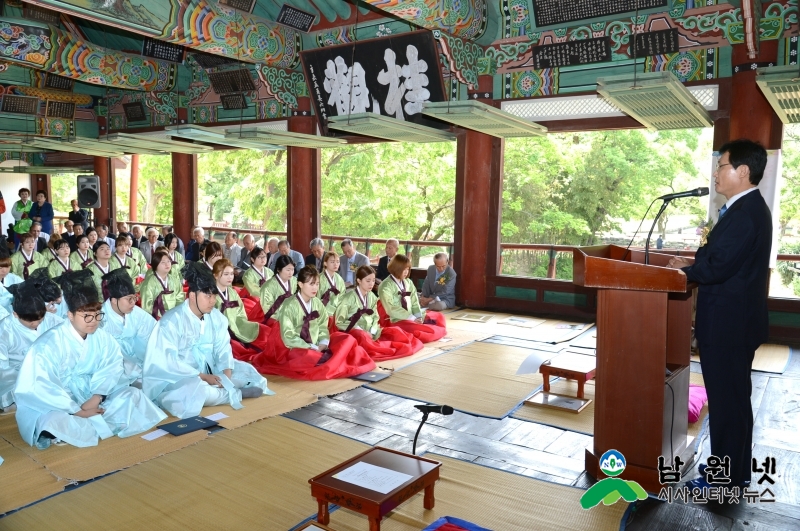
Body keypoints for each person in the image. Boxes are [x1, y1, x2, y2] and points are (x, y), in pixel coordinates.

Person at [668, 140, 772, 491]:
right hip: (736, 322)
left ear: (743, 171)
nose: (715, 173)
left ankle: (721, 481)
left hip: (730, 325)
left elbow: (720, 265)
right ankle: (736, 474)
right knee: (735, 402)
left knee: (728, 406)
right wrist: (690, 265)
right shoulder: (746, 209)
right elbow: (720, 258)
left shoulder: (745, 213)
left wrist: (683, 272)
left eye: (722, 166)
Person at [14, 268, 166, 449]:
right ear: (69, 315)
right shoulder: (48, 344)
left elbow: (113, 366)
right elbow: (40, 386)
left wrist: (97, 397)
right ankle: (88, 422)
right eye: (86, 316)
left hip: (93, 393)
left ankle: (88, 424)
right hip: (62, 401)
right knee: (51, 420)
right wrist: (76, 410)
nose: (94, 321)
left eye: (97, 315)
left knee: (133, 395)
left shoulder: (102, 338)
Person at [142, 262, 271, 419]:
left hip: (211, 368)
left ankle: (227, 388)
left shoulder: (216, 317)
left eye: (214, 295)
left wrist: (226, 375)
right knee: (196, 390)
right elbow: (167, 362)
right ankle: (233, 393)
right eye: (208, 296)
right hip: (181, 375)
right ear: (192, 295)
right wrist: (202, 376)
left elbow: (223, 348)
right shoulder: (171, 321)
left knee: (248, 371)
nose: (212, 301)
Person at [249, 265, 375, 380]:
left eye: (317, 284)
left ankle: (327, 357)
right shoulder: (289, 305)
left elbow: (322, 326)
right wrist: (312, 347)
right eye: (311, 284)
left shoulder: (317, 303)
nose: (315, 288)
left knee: (347, 340)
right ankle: (325, 359)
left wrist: (323, 341)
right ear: (300, 284)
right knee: (311, 358)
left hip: (315, 342)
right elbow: (288, 336)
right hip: (291, 345)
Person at [335, 265, 422, 362]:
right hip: (353, 331)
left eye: (373, 280)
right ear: (359, 281)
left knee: (396, 332)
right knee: (362, 336)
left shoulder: (372, 296)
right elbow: (339, 321)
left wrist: (372, 331)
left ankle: (377, 344)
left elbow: (375, 317)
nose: (371, 284)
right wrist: (361, 330)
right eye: (368, 281)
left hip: (371, 331)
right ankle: (378, 349)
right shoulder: (347, 298)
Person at [0, 281, 63, 410]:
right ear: (16, 314)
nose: (35, 324)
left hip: (51, 371)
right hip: (17, 376)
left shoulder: (52, 320)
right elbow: (3, 369)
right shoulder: (4, 330)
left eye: (40, 319)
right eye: (30, 321)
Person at [100, 268, 157, 386]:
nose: (133, 303)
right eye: (129, 299)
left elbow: (153, 334)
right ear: (114, 300)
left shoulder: (136, 313)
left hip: (139, 363)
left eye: (134, 298)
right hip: (115, 368)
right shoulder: (100, 318)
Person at [212, 259, 274, 363]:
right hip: (221, 330)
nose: (230, 277)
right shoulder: (210, 294)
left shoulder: (232, 292)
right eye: (226, 274)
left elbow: (241, 312)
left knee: (263, 330)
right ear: (216, 275)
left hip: (238, 323)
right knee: (235, 348)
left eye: (231, 274)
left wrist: (241, 323)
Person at [377, 254, 447, 343]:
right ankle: (426, 329)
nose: (406, 272)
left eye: (407, 269)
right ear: (396, 268)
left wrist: (418, 316)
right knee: (425, 331)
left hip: (411, 315)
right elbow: (391, 309)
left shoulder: (408, 282)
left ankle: (425, 326)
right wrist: (412, 318)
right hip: (395, 319)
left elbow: (414, 302)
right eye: (403, 269)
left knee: (439, 317)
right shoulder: (385, 286)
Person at [140, 250, 185, 320]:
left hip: (173, 316)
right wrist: (161, 315)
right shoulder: (148, 283)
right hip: (155, 318)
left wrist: (174, 313)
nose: (167, 264)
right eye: (163, 262)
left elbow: (180, 298)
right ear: (155, 265)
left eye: (168, 261)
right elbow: (147, 305)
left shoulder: (175, 280)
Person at [259, 255, 297, 321]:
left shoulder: (295, 281)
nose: (291, 273)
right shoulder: (267, 287)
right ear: (278, 269)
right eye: (288, 270)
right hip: (276, 318)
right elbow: (268, 309)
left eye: (292, 269)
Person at [318, 251, 345, 319]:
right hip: (322, 310)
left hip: (336, 311)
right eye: (332, 262)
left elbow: (342, 297)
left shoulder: (339, 279)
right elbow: (315, 298)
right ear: (325, 263)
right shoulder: (319, 279)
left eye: (337, 262)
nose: (336, 264)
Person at [0, 244, 23, 315]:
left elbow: (27, 289)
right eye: (0, 268)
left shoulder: (14, 278)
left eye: (7, 267)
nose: (4, 271)